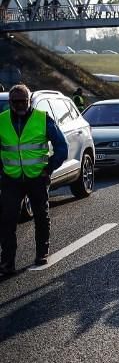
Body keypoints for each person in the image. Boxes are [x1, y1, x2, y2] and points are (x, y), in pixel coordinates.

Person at [0, 84, 68, 275]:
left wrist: (49, 168)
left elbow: (62, 146)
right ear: (10, 102)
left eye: (24, 101)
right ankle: (7, 264)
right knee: (7, 220)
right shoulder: (1, 120)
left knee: (41, 216)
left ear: (29, 100)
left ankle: (41, 254)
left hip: (37, 177)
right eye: (16, 102)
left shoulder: (42, 119)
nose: (20, 105)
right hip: (11, 179)